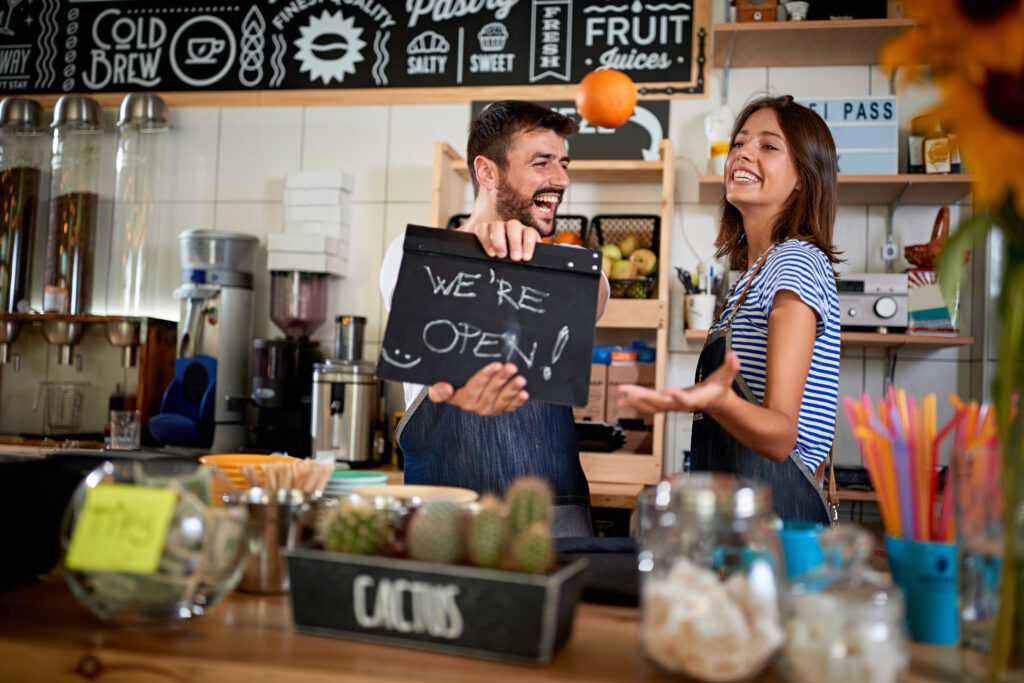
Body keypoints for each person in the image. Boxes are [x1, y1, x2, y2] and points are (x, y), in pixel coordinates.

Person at [379, 101, 609, 536]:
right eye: (542, 163)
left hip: (555, 533)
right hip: (447, 532)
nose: (561, 180)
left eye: (563, 164)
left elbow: (589, 295)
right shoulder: (412, 257)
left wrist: (531, 258)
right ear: (486, 172)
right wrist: (481, 255)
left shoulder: (570, 265)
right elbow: (440, 327)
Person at [618, 94, 841, 524]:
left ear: (803, 178)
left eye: (768, 146)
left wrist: (714, 401)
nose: (743, 153)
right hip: (741, 518)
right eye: (739, 143)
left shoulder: (795, 260)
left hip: (778, 520)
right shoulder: (755, 274)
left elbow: (779, 436)